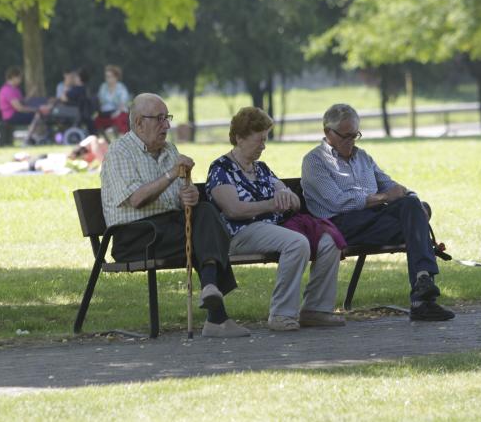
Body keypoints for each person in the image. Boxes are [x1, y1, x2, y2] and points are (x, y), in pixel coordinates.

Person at [100, 93, 248, 338]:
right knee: (206, 231)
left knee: (205, 211)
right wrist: (171, 174)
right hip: (136, 236)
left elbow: (180, 199)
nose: (166, 125)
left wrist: (187, 197)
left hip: (169, 229)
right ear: (138, 123)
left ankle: (211, 289)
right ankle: (217, 319)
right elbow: (136, 199)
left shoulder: (169, 150)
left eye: (167, 118)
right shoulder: (119, 153)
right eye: (159, 119)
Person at [301, 103, 455, 321]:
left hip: (373, 220)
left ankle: (423, 280)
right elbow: (337, 202)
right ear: (328, 132)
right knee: (415, 225)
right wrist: (383, 198)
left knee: (412, 205)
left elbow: (390, 185)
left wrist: (411, 197)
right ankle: (422, 301)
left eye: (355, 135)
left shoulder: (362, 157)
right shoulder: (314, 161)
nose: (351, 141)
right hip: (339, 225)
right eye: (345, 136)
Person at [206, 107, 347, 331]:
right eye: (259, 140)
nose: (264, 146)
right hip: (240, 233)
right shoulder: (221, 169)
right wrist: (271, 204)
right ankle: (281, 313)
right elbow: (233, 210)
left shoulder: (262, 169)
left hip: (274, 229)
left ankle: (316, 309)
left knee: (329, 242)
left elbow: (294, 202)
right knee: (296, 243)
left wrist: (286, 195)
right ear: (240, 138)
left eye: (265, 139)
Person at [0, 67, 51, 143]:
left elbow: (22, 102)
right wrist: (36, 109)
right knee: (37, 115)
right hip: (11, 116)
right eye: (19, 78)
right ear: (13, 77)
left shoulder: (15, 89)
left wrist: (31, 94)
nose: (20, 80)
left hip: (16, 114)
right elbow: (19, 108)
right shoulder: (7, 90)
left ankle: (34, 137)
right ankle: (27, 140)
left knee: (39, 114)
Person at [94, 64, 130, 134]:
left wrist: (116, 112)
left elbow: (123, 103)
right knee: (96, 120)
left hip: (118, 111)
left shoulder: (121, 88)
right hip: (105, 113)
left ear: (116, 77)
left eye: (109, 76)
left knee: (120, 117)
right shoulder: (103, 87)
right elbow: (100, 101)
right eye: (106, 77)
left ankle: (116, 131)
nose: (107, 79)